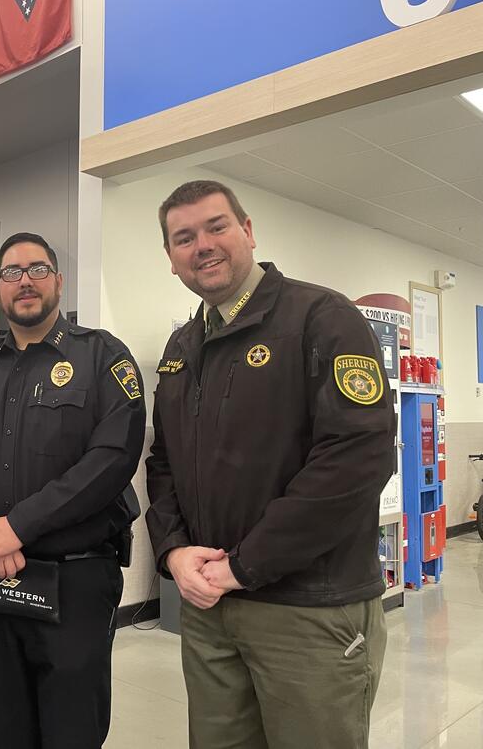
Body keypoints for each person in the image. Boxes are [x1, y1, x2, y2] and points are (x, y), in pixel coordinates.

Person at [144, 180, 394, 748]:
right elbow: (165, 464)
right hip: (208, 606)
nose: (202, 245)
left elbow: (357, 458)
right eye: (184, 237)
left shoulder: (322, 318)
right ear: (170, 257)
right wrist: (174, 551)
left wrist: (245, 565)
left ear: (248, 231)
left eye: (216, 227)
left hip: (307, 608)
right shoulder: (181, 347)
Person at [0, 232, 146, 749]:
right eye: (11, 272)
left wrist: (15, 529)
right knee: (10, 724)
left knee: (73, 728)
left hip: (74, 579)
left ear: (58, 281)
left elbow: (112, 458)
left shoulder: (102, 356)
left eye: (37, 269)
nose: (24, 281)